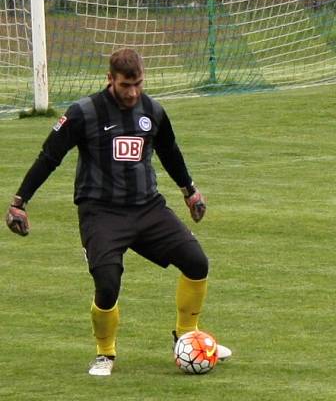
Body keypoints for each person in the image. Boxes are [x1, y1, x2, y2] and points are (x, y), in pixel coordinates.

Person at [5, 47, 232, 376]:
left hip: (147, 207)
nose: (133, 92)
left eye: (138, 84)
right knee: (108, 283)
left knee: (197, 263)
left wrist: (190, 191)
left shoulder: (152, 110)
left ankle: (187, 337)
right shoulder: (84, 112)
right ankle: (105, 354)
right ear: (110, 79)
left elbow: (169, 151)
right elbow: (49, 156)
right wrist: (19, 202)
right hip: (101, 213)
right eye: (126, 85)